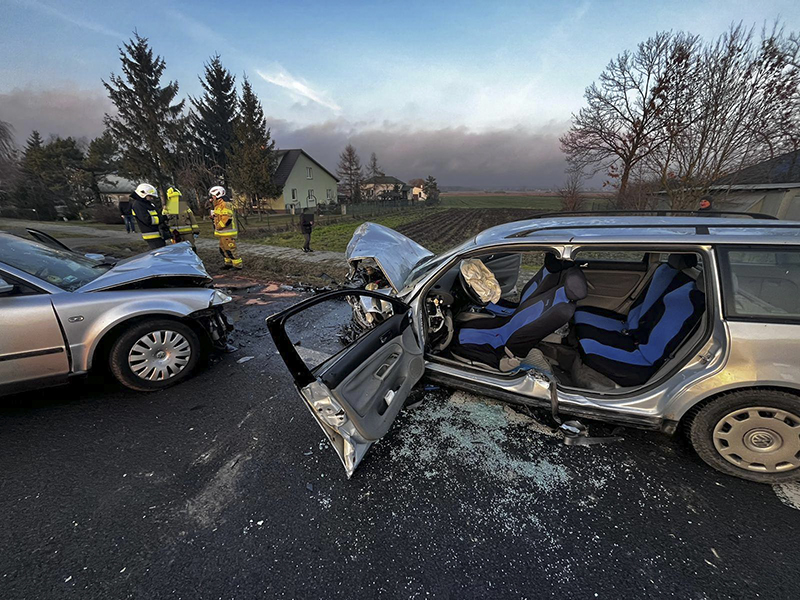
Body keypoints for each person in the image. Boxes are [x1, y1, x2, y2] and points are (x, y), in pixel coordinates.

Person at [210, 185, 242, 269]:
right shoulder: (218, 205)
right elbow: (220, 216)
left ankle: (237, 265)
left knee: (230, 249)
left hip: (227, 232)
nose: (211, 198)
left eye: (212, 196)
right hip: (222, 233)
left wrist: (218, 226)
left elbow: (227, 219)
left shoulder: (225, 204)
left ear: (217, 195)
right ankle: (228, 264)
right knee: (223, 249)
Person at [130, 183, 166, 249]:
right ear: (143, 194)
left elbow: (155, 215)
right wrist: (163, 218)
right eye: (150, 196)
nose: (152, 198)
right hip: (152, 236)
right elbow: (148, 220)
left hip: (157, 235)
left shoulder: (147, 204)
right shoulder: (138, 205)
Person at [163, 186, 199, 250]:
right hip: (175, 234)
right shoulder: (166, 209)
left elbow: (192, 218)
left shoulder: (184, 207)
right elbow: (164, 222)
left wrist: (196, 231)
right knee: (179, 250)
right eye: (173, 197)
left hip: (188, 234)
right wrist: (167, 233)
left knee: (191, 248)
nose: (175, 199)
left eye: (177, 197)